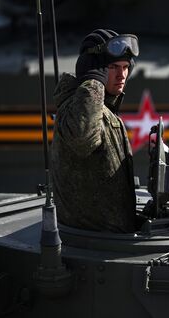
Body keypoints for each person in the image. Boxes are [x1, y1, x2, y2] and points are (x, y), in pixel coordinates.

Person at [50, 29, 139, 232]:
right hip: (93, 242)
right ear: (96, 71)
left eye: (126, 67)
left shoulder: (102, 109)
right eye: (114, 67)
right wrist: (93, 83)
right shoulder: (78, 107)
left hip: (108, 236)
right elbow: (83, 139)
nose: (122, 75)